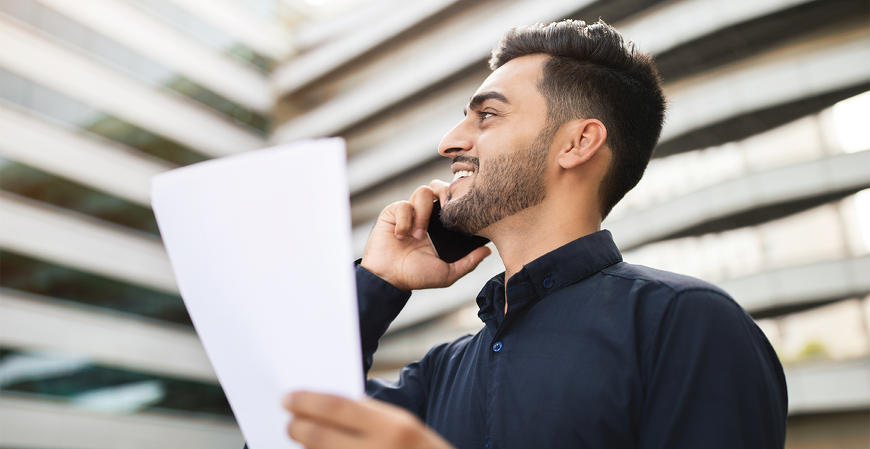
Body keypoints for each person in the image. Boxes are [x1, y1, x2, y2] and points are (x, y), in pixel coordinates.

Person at [282, 19, 788, 449]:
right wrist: (377, 281)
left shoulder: (684, 322)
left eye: (487, 115)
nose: (450, 142)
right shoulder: (441, 372)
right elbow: (278, 430)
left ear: (578, 143)